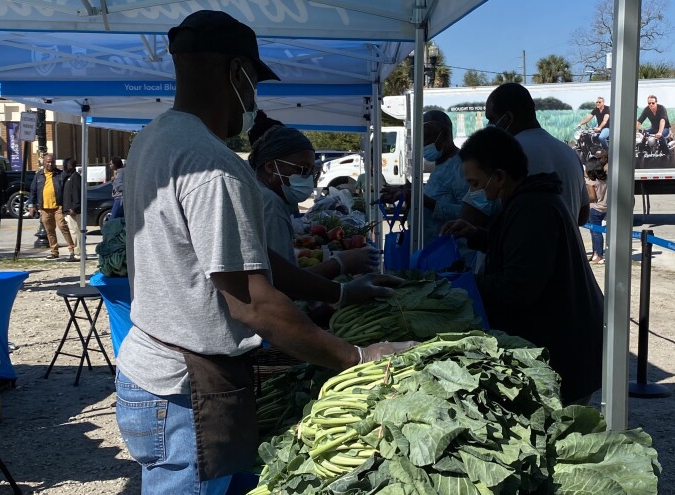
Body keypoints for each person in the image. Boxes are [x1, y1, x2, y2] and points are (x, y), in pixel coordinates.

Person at [116, 11, 414, 494]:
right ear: (237, 73)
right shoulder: (213, 166)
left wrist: (339, 293)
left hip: (153, 371)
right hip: (185, 388)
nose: (254, 101)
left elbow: (247, 261)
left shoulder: (154, 138)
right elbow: (252, 302)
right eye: (254, 84)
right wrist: (357, 356)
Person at [441, 127, 604, 404]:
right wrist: (477, 235)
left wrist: (462, 284)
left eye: (475, 183)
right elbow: (522, 249)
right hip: (567, 341)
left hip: (565, 351)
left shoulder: (532, 208)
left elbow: (517, 287)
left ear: (499, 177)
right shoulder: (528, 200)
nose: (473, 191)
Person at [247, 113, 378, 276]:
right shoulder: (270, 204)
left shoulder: (254, 191)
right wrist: (340, 264)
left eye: (311, 172)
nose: (307, 178)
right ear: (271, 167)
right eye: (302, 170)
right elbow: (283, 279)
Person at [469, 83, 590, 227]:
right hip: (565, 241)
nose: (489, 125)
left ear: (508, 118)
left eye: (492, 119)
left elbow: (472, 216)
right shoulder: (569, 153)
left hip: (518, 241)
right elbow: (582, 216)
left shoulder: (501, 156)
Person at [381, 110, 469, 246]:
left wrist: (425, 202)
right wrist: (407, 191)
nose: (423, 144)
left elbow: (466, 214)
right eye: (421, 139)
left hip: (450, 251)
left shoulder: (461, 166)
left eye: (427, 137)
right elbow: (440, 192)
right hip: (430, 249)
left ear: (445, 134)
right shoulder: (441, 164)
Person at [28, 154, 75, 260]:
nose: (50, 164)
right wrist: (32, 205)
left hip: (58, 206)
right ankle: (54, 251)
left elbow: (67, 189)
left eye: (52, 162)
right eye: (48, 162)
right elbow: (33, 191)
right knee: (49, 230)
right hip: (44, 207)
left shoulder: (60, 174)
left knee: (63, 227)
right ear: (44, 162)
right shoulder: (38, 175)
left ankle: (72, 249)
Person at [585, 157, 608, 264]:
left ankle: (598, 255)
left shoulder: (591, 182)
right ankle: (596, 254)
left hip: (594, 208)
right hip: (605, 207)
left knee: (595, 233)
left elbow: (592, 197)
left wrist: (583, 200)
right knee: (596, 231)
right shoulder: (605, 179)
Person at [61, 157, 82, 262]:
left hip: (73, 210)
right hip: (67, 209)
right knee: (73, 231)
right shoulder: (68, 176)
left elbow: (77, 193)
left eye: (65, 165)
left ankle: (79, 254)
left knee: (76, 232)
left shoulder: (75, 176)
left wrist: (74, 207)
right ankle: (77, 252)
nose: (64, 167)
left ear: (70, 166)